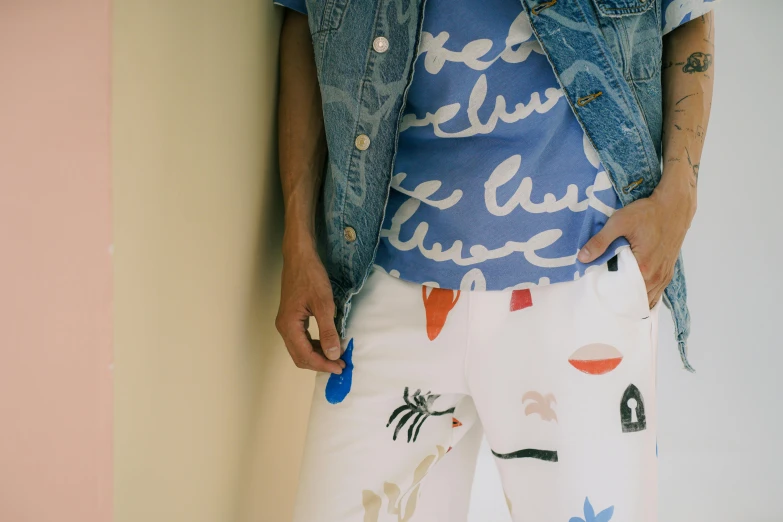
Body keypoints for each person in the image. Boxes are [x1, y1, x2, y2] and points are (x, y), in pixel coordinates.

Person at [274, 1, 715, 520]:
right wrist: (298, 240)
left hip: (580, 285)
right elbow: (306, 21)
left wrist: (681, 193)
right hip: (384, 276)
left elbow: (688, 16)